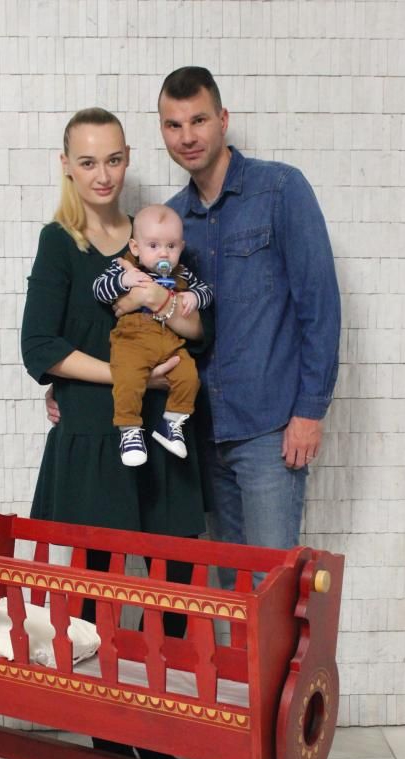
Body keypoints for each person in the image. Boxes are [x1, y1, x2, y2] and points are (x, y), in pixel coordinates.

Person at [21, 107, 214, 759]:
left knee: (171, 583)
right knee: (95, 588)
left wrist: (163, 316)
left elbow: (197, 326)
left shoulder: (152, 237)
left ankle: (160, 728)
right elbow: (39, 347)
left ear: (127, 159)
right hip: (93, 439)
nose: (101, 174)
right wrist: (126, 377)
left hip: (162, 438)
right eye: (87, 161)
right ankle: (109, 732)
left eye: (112, 159)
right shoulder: (60, 243)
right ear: (66, 166)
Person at [157, 67, 341, 561]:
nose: (187, 136)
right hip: (203, 433)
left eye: (198, 120)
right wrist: (71, 387)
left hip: (269, 432)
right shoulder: (171, 222)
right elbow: (150, 320)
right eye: (174, 125)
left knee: (270, 586)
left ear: (223, 119)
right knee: (228, 590)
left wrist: (310, 412)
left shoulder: (280, 190)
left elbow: (319, 305)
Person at [93, 203, 212, 466]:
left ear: (181, 247)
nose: (164, 253)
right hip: (133, 339)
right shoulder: (126, 267)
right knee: (128, 378)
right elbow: (99, 289)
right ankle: (129, 430)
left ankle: (172, 423)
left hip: (169, 340)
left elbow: (207, 292)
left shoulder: (183, 274)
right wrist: (123, 282)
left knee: (189, 377)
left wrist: (194, 296)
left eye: (171, 246)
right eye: (154, 245)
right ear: (136, 247)